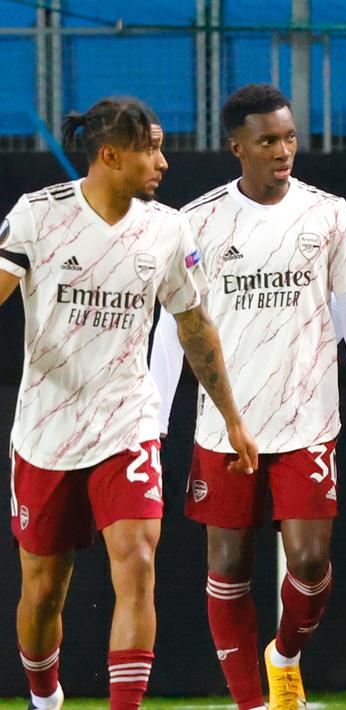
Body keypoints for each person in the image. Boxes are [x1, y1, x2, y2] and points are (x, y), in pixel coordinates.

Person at [2, 96, 258, 710]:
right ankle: (45, 697)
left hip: (128, 422)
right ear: (111, 155)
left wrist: (232, 417)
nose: (164, 163)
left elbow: (196, 328)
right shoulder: (36, 217)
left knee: (138, 563)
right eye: (153, 149)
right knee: (42, 590)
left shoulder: (167, 229)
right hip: (47, 428)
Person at [149, 84, 346, 710]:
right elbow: (174, 334)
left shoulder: (329, 215)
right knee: (229, 568)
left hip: (308, 422)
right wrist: (151, 433)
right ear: (237, 147)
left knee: (311, 565)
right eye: (267, 141)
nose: (283, 151)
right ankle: (252, 704)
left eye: (289, 137)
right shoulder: (196, 223)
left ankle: (283, 654)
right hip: (225, 430)